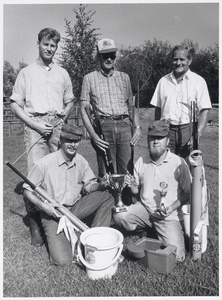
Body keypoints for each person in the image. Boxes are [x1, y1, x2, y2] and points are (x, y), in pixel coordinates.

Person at [10, 28, 74, 246]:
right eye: (46, 44)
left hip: (57, 126)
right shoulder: (26, 73)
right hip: (35, 126)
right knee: (35, 177)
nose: (49, 49)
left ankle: (57, 219)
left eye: (53, 45)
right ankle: (36, 224)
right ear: (38, 43)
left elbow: (70, 100)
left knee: (58, 173)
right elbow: (14, 104)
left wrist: (63, 115)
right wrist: (36, 124)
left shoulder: (62, 73)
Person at [22, 123, 115, 266]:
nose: (73, 145)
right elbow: (27, 190)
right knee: (63, 261)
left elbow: (89, 186)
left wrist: (101, 185)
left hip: (75, 209)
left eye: (76, 141)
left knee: (107, 195)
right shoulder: (44, 163)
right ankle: (53, 232)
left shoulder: (81, 161)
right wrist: (44, 207)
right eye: (69, 141)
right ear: (60, 141)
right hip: (53, 214)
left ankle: (94, 238)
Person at [113, 120, 191, 262]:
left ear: (167, 141)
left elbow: (188, 192)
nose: (155, 142)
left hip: (168, 216)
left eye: (159, 138)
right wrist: (131, 185)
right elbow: (136, 192)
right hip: (145, 210)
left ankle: (156, 231)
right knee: (120, 216)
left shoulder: (178, 162)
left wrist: (172, 207)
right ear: (148, 139)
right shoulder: (141, 161)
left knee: (177, 257)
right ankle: (149, 229)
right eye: (152, 138)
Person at [80, 38, 141, 180]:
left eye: (112, 55)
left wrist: (137, 127)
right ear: (98, 56)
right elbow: (84, 109)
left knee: (127, 171)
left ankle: (126, 201)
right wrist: (93, 136)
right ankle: (108, 201)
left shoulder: (124, 77)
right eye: (105, 55)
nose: (109, 59)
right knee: (106, 172)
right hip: (103, 127)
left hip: (125, 126)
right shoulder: (89, 79)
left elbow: (131, 107)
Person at [150, 45, 212, 162]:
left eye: (182, 59)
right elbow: (158, 109)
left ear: (190, 61)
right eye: (175, 59)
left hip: (188, 129)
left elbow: (205, 110)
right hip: (166, 129)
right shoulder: (163, 81)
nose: (178, 63)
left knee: (188, 166)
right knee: (165, 164)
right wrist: (159, 130)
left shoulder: (198, 81)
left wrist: (197, 134)